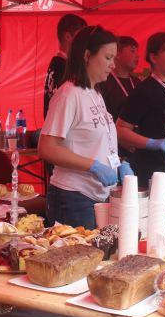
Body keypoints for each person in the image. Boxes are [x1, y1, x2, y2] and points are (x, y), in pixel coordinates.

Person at [39, 26, 119, 228]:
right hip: (73, 197)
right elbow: (47, 147)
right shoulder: (68, 94)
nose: (113, 65)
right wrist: (93, 166)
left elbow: (100, 144)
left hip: (97, 197)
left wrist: (118, 164)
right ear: (87, 55)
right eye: (108, 58)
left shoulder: (95, 93)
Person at [117, 32, 165, 187]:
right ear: (153, 57)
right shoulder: (144, 90)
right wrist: (152, 143)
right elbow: (120, 129)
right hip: (153, 171)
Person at [44, 13, 87, 118]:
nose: (85, 42)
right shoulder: (62, 67)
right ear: (68, 36)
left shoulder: (58, 64)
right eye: (81, 36)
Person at [101, 36, 140, 122]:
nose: (137, 56)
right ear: (117, 54)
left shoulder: (138, 83)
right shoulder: (103, 82)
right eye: (132, 51)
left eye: (137, 52)